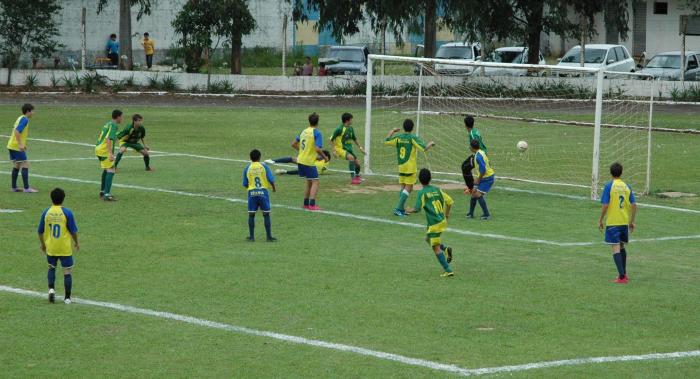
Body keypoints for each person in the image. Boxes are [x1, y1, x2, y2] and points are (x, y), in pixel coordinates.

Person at [405, 168, 455, 277]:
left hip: (434, 224)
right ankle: (445, 249)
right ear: (430, 179)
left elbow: (417, 209)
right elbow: (450, 202)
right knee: (427, 239)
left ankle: (448, 270)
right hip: (441, 220)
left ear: (419, 180)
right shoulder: (438, 189)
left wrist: (409, 210)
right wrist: (447, 214)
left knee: (435, 248)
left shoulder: (422, 193)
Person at [384, 119, 435, 216]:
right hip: (410, 167)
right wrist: (431, 143)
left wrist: (392, 131)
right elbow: (424, 148)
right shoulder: (412, 138)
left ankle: (402, 209)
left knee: (403, 188)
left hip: (401, 166)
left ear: (403, 127)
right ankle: (398, 208)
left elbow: (386, 141)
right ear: (412, 128)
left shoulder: (398, 137)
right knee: (409, 188)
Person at [38, 188, 79, 304]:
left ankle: (51, 290)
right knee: (67, 271)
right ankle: (67, 298)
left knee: (51, 267)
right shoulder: (67, 212)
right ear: (63, 199)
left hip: (51, 246)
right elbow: (73, 231)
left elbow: (40, 231)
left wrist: (43, 244)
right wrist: (76, 242)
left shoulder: (46, 212)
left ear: (51, 198)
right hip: (64, 247)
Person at [598, 162, 637, 284]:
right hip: (624, 222)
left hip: (613, 222)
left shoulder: (609, 186)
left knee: (615, 249)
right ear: (621, 172)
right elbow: (634, 205)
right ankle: (624, 273)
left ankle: (621, 277)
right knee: (621, 246)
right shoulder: (627, 186)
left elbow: (605, 204)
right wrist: (632, 221)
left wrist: (600, 219)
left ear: (611, 173)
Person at [292, 113, 329, 211]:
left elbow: (294, 144)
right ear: (318, 121)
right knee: (315, 182)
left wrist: (303, 152)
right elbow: (317, 149)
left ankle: (305, 204)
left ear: (309, 121)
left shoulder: (303, 131)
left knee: (309, 182)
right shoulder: (317, 133)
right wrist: (324, 157)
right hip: (308, 162)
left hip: (300, 160)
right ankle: (312, 205)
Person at [243, 149, 276, 242]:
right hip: (263, 193)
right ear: (260, 157)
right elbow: (271, 179)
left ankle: (252, 237)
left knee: (251, 215)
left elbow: (245, 183)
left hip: (252, 193)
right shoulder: (264, 167)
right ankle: (269, 237)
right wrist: (273, 188)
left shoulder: (247, 168)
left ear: (250, 158)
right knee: (266, 214)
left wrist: (250, 189)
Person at [7, 103, 38, 193]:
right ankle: (26, 188)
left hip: (11, 145)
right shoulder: (24, 120)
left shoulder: (20, 118)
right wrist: (20, 144)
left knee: (17, 165)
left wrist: (22, 144)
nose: (33, 113)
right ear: (28, 111)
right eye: (32, 111)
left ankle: (14, 187)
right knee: (25, 164)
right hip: (16, 146)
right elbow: (17, 131)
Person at [330, 112, 365, 184]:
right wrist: (334, 151)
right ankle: (353, 179)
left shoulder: (351, 128)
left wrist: (360, 147)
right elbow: (331, 139)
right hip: (340, 149)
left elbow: (354, 138)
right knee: (351, 158)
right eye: (351, 119)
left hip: (349, 149)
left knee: (358, 164)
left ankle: (357, 176)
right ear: (347, 120)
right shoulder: (339, 129)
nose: (352, 121)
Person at [95, 110, 122, 201]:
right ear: (118, 117)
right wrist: (110, 153)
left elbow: (104, 136)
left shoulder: (108, 124)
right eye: (121, 116)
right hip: (104, 150)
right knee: (111, 170)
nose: (122, 118)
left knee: (106, 169)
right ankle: (107, 194)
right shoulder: (113, 125)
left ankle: (103, 191)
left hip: (98, 148)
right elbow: (108, 139)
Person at [467, 139, 494, 220]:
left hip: (487, 178)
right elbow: (488, 163)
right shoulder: (481, 152)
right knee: (473, 193)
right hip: (485, 176)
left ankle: (487, 214)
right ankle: (470, 214)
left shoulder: (478, 156)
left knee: (477, 194)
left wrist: (478, 179)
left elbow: (483, 170)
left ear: (472, 148)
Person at [266, 151, 331, 176]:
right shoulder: (326, 163)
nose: (318, 155)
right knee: (301, 170)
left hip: (308, 165)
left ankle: (273, 161)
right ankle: (284, 171)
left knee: (291, 159)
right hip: (309, 170)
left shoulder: (323, 160)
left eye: (320, 154)